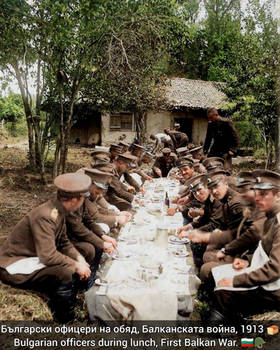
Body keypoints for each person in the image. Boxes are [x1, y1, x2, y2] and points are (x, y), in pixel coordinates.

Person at [0, 172, 92, 323]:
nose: (83, 202)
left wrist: (79, 259)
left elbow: (63, 242)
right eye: (82, 198)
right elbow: (48, 255)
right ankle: (65, 320)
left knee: (77, 259)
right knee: (65, 271)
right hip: (14, 265)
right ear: (75, 200)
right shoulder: (47, 215)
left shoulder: (57, 210)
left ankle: (72, 303)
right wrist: (75, 265)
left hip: (31, 258)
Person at [213, 170, 280, 322]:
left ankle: (230, 332)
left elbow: (275, 269)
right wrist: (248, 260)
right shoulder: (271, 217)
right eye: (256, 193)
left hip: (273, 290)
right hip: (267, 280)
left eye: (264, 194)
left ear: (278, 195)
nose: (257, 198)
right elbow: (265, 250)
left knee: (223, 291)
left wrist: (236, 281)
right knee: (217, 275)